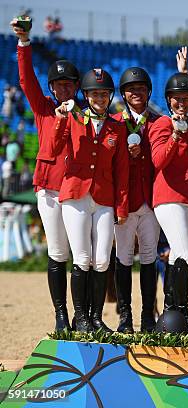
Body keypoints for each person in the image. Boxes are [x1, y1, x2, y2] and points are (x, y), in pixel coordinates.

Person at [12, 17, 79, 331]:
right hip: (50, 189)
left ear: (77, 87)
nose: (64, 88)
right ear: (52, 88)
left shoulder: (86, 113)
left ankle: (83, 315)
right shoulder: (43, 109)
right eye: (59, 84)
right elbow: (26, 81)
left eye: (69, 84)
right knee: (57, 251)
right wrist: (25, 43)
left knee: (82, 252)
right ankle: (61, 314)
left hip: (79, 190)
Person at [52, 68, 130, 332]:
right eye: (95, 93)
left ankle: (96, 318)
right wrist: (61, 119)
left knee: (102, 260)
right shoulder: (73, 119)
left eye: (104, 93)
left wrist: (121, 206)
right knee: (82, 258)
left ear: (109, 97)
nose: (100, 97)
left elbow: (122, 170)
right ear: (86, 95)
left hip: (105, 198)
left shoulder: (117, 127)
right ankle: (81, 317)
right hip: (76, 195)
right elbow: (54, 148)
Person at [149, 73, 188, 331]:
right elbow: (158, 161)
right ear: (168, 100)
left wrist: (185, 72)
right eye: (177, 99)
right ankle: (174, 310)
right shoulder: (160, 124)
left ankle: (177, 313)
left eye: (187, 98)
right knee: (184, 253)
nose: (182, 103)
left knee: (181, 254)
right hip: (168, 197)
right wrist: (175, 137)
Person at [112, 67, 161, 333]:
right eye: (131, 89)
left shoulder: (158, 122)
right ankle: (125, 316)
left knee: (149, 258)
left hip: (151, 200)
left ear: (148, 92)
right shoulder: (115, 123)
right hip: (124, 201)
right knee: (123, 258)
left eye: (141, 88)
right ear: (123, 94)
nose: (136, 93)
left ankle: (147, 316)